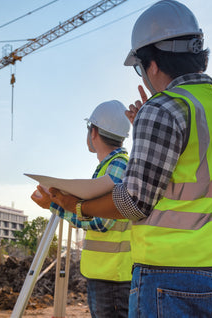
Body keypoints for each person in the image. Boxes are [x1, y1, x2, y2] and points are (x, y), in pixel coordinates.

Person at [42, 0, 212, 317]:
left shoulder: (163, 108)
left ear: (153, 64)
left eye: (141, 68)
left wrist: (78, 206)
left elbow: (134, 201)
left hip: (171, 275)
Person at [32, 100, 132, 318]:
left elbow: (101, 221)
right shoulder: (109, 165)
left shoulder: (117, 166)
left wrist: (55, 205)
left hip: (113, 276)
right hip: (107, 274)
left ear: (93, 132)